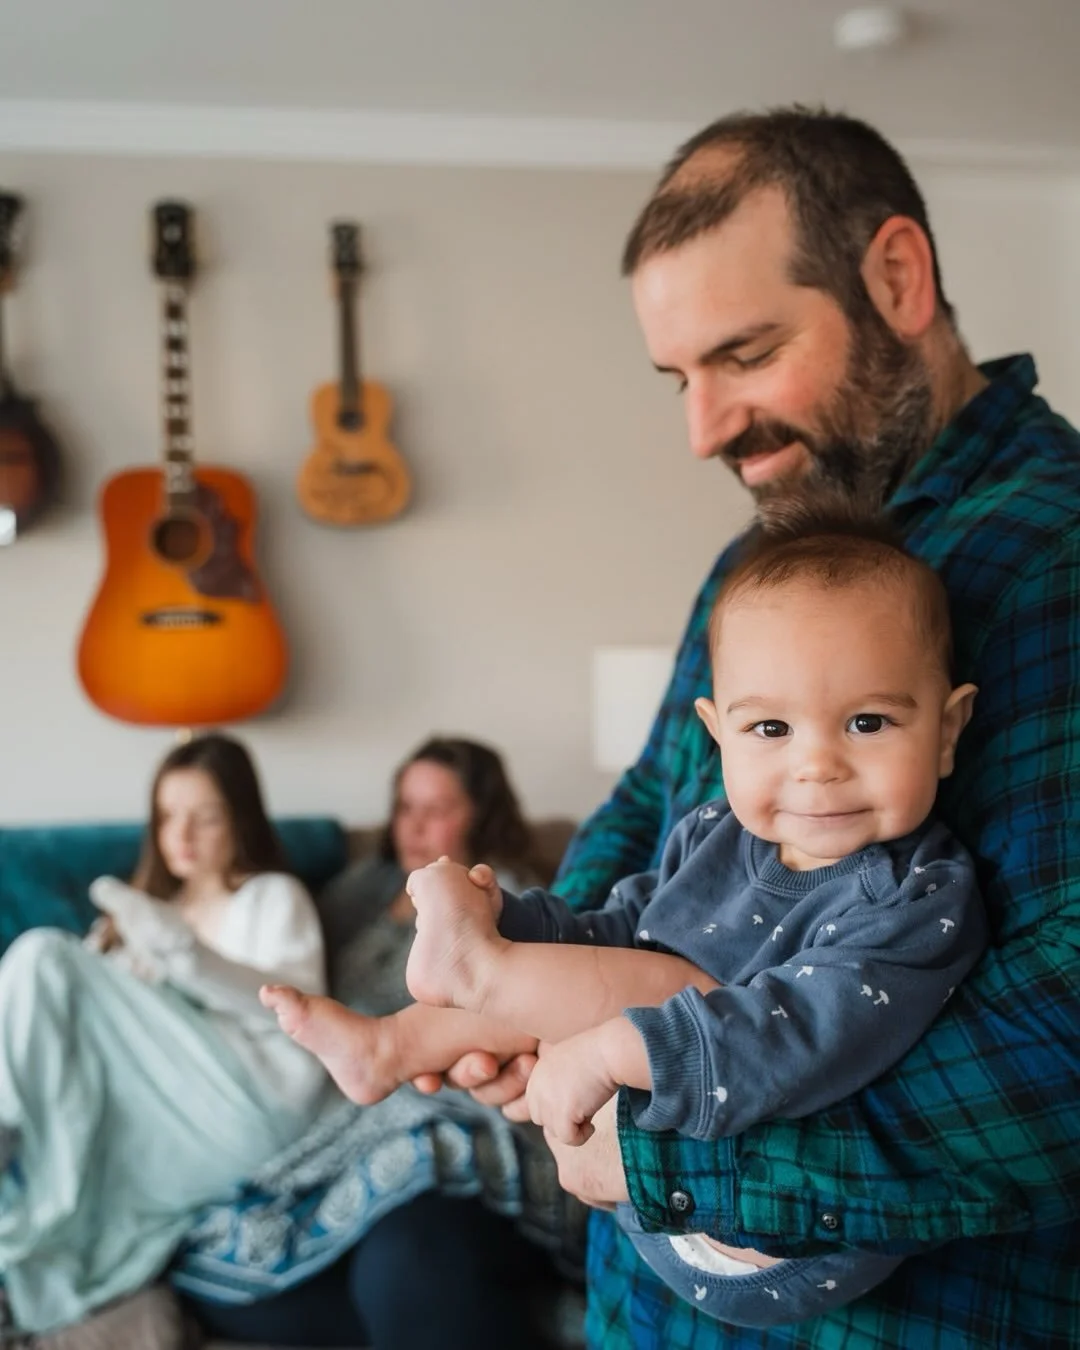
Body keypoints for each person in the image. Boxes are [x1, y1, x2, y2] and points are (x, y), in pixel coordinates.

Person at [443, 106, 1080, 1349]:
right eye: (680, 377)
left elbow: (1061, 1036)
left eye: (745, 354)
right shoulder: (766, 558)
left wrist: (673, 1157)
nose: (703, 428)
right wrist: (537, 991)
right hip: (651, 1306)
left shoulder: (1055, 558)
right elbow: (650, 811)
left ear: (896, 277)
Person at [266, 513, 987, 1329]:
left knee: (663, 991)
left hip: (783, 1234)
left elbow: (808, 1033)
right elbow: (615, 931)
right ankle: (389, 1045)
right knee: (619, 968)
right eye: (771, 729)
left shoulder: (918, 892)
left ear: (947, 731)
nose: (816, 765)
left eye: (868, 722)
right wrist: (511, 916)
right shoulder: (715, 835)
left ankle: (483, 970)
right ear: (719, 735)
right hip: (657, 1191)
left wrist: (614, 1048)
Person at [183, 736, 568, 1350]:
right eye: (404, 806)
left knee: (409, 1260)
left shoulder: (513, 899)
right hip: (343, 1116)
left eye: (437, 807)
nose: (415, 825)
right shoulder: (358, 890)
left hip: (452, 1101)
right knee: (214, 1270)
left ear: (482, 813)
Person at [0, 732, 327, 1338]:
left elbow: (298, 1014)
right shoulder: (138, 913)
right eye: (169, 817)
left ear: (240, 821)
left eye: (205, 818)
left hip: (244, 1104)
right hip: (150, 1122)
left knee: (44, 956)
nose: (182, 836)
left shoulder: (271, 897)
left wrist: (184, 958)